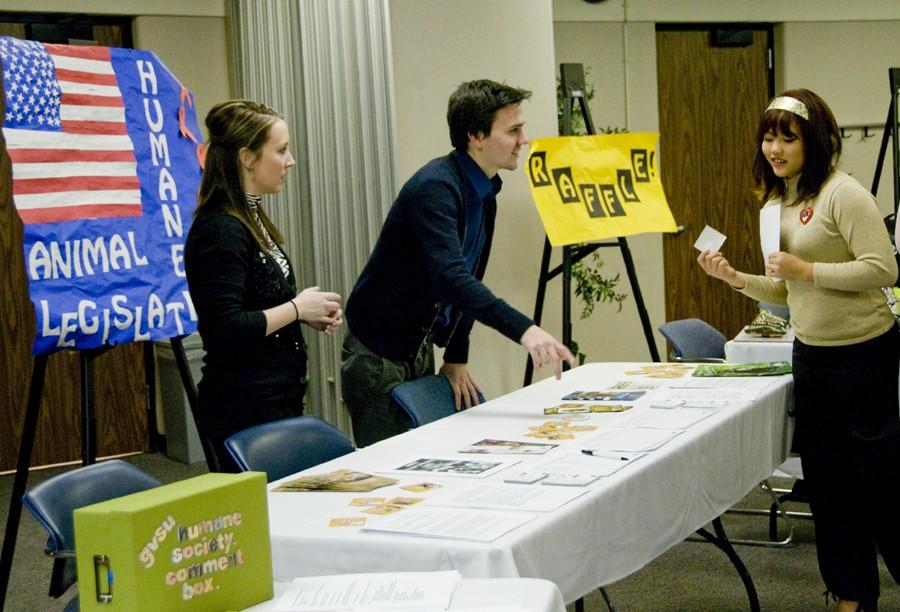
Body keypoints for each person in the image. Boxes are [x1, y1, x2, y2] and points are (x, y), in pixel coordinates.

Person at [697, 89, 900, 611]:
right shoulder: (776, 204)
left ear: (814, 140)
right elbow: (787, 292)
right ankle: (852, 595)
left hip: (864, 355)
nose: (775, 148)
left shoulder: (843, 194)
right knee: (829, 487)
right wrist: (735, 278)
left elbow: (884, 270)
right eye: (769, 136)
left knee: (878, 485)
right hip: (812, 356)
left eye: (787, 137)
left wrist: (807, 269)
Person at [341, 79, 574, 448]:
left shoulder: (485, 190)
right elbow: (451, 278)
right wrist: (526, 331)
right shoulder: (435, 188)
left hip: (414, 348)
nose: (523, 140)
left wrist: (457, 355)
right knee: (393, 470)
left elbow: (470, 274)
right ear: (475, 136)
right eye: (513, 131)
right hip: (377, 355)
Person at [184, 100, 343, 471]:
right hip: (242, 406)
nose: (291, 161)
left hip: (275, 398)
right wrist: (296, 309)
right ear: (248, 158)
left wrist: (304, 315)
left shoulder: (250, 217)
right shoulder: (219, 229)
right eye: (282, 150)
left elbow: (257, 306)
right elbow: (225, 327)